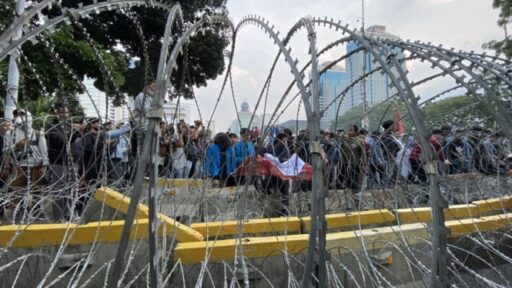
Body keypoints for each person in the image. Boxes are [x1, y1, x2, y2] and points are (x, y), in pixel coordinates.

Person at [45, 103, 80, 221]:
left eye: (67, 112)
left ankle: (70, 213)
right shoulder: (51, 126)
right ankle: (59, 217)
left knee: (72, 189)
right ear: (56, 113)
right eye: (63, 112)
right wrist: (75, 133)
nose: (65, 115)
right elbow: (61, 142)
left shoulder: (69, 126)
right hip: (59, 163)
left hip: (72, 162)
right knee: (59, 190)